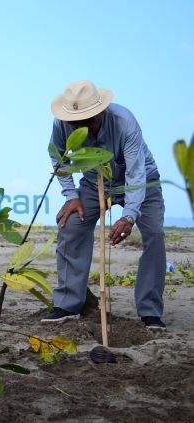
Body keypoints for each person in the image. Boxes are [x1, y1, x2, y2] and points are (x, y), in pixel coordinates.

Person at [43, 80, 167, 330]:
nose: (82, 130)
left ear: (99, 113)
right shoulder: (61, 123)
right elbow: (59, 157)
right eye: (74, 124)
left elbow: (136, 173)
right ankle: (68, 304)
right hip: (93, 182)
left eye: (87, 122)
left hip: (141, 181)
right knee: (71, 225)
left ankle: (150, 311)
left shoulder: (124, 122)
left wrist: (129, 216)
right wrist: (71, 196)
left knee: (154, 234)